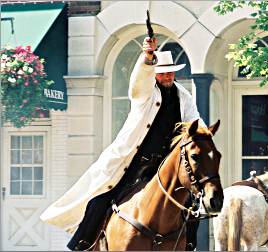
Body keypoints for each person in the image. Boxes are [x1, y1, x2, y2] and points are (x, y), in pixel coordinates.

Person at [40, 37, 205, 250]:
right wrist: (147, 58)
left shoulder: (184, 96)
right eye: (163, 72)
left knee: (190, 204)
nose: (167, 76)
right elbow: (139, 83)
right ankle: (83, 243)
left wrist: (204, 135)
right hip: (134, 160)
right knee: (102, 198)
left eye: (171, 72)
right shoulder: (146, 92)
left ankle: (188, 245)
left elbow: (195, 121)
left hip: (164, 164)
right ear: (154, 73)